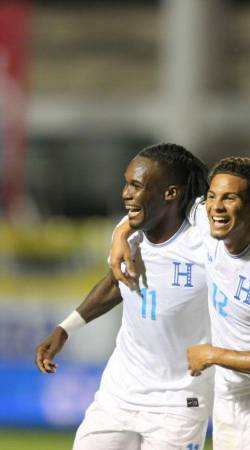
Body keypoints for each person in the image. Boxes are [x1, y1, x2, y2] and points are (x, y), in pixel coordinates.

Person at [113, 157, 250, 450]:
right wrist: (121, 236)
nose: (216, 207)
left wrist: (213, 354)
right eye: (212, 196)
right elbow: (151, 206)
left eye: (230, 198)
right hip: (229, 397)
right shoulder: (205, 221)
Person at [35, 143, 213, 450]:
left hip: (179, 402)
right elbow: (116, 282)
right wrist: (67, 328)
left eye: (136, 185)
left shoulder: (207, 240)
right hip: (119, 393)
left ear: (170, 193)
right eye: (126, 182)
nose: (125, 193)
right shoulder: (130, 231)